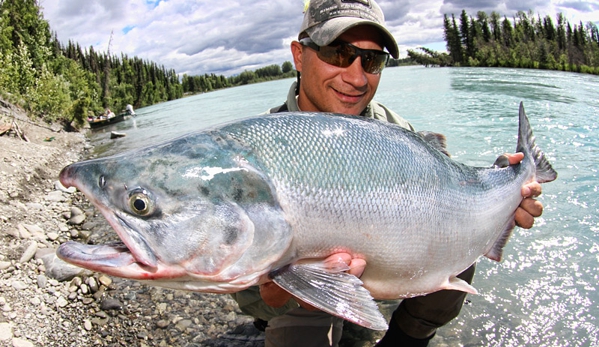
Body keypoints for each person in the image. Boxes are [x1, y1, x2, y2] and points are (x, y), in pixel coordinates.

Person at [231, 0, 544, 346]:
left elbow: (457, 190)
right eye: (338, 53)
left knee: (456, 239)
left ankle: (407, 338)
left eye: (372, 60)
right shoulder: (252, 152)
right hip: (299, 299)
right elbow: (241, 291)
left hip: (389, 274)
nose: (356, 77)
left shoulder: (397, 131)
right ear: (299, 55)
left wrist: (503, 185)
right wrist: (279, 294)